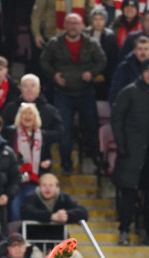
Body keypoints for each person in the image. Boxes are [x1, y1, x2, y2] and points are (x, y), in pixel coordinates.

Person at [40, 13, 106, 173]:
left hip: (85, 92)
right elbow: (43, 61)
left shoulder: (90, 43)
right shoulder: (55, 43)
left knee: (92, 128)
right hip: (63, 94)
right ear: (64, 25)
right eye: (69, 23)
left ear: (82, 25)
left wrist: (92, 72)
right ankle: (66, 164)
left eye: (76, 23)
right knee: (65, 130)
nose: (73, 26)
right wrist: (53, 75)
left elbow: (102, 61)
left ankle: (97, 160)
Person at [21, 173, 87, 258]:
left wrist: (67, 215)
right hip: (37, 244)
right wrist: (51, 216)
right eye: (44, 185)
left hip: (58, 245)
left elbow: (83, 212)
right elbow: (26, 211)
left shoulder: (63, 198)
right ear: (39, 187)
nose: (47, 188)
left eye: (51, 185)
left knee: (76, 257)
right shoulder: (31, 197)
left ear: (57, 187)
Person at [112, 60, 149, 246]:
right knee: (128, 195)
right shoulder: (129, 91)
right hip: (130, 154)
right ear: (143, 72)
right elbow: (116, 119)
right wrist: (122, 145)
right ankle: (124, 230)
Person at [4, 103, 53, 222]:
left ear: (36, 117)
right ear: (19, 116)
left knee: (30, 212)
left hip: (34, 181)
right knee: (15, 212)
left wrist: (47, 162)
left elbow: (47, 156)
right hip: (15, 180)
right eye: (24, 113)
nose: (27, 116)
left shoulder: (42, 135)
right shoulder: (10, 132)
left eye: (30, 113)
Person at [109, 35, 149, 106]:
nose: (143, 52)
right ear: (134, 51)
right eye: (140, 49)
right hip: (131, 110)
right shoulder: (124, 67)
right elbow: (116, 92)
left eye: (146, 49)